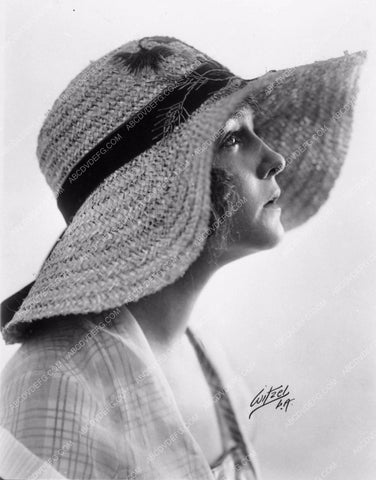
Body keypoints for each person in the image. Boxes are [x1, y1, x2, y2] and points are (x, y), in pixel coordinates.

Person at [0, 36, 366, 480]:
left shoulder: (206, 354)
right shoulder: (50, 388)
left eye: (256, 132)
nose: (274, 158)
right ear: (155, 197)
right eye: (232, 138)